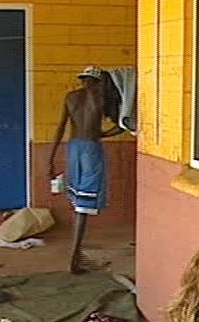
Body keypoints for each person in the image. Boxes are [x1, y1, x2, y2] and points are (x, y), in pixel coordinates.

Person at [49, 65, 124, 273]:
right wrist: (103, 134)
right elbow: (123, 124)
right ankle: (74, 257)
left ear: (83, 80)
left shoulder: (71, 97)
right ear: (99, 81)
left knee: (78, 200)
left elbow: (60, 129)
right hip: (91, 148)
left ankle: (76, 253)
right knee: (85, 204)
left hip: (73, 148)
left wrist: (50, 158)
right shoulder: (101, 99)